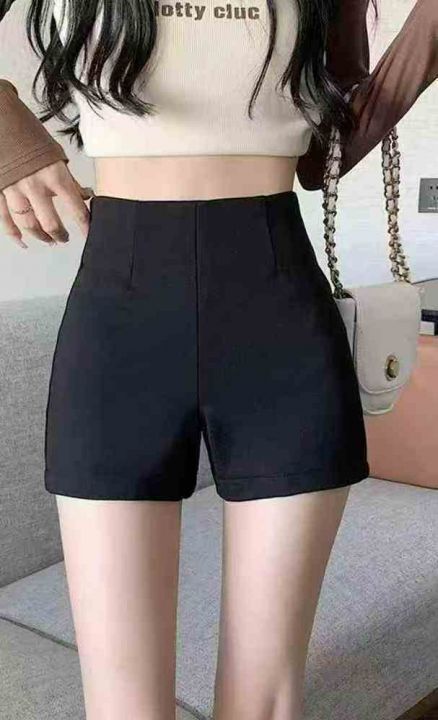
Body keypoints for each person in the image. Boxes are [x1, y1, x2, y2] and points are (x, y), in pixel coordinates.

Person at [0, 1, 436, 719]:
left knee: (265, 700)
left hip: (279, 312)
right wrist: (11, 141)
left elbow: (324, 154)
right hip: (119, 318)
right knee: (124, 707)